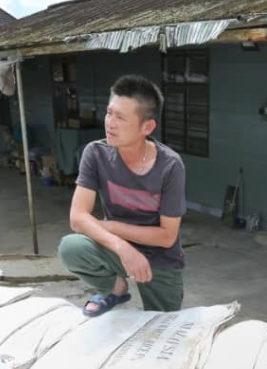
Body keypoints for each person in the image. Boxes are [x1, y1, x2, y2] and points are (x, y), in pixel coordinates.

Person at [59, 75, 186, 316]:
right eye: (109, 113)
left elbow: (167, 237)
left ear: (146, 127)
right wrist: (124, 249)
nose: (110, 123)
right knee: (71, 247)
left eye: (121, 117)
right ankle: (115, 289)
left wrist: (111, 227)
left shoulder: (170, 166)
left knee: (164, 328)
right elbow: (78, 218)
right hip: (116, 250)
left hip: (161, 259)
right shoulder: (95, 153)